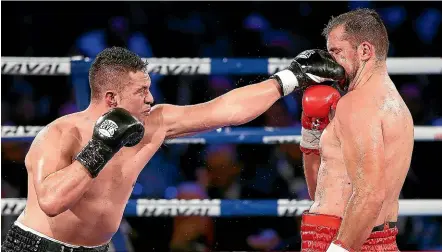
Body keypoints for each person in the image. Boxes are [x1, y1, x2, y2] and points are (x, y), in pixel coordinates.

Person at [1, 46, 345, 252]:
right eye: (141, 91)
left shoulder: (155, 121)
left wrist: (291, 77)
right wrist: (98, 149)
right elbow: (50, 201)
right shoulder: (60, 134)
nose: (150, 98)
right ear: (111, 99)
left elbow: (223, 110)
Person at [298, 8, 414, 252]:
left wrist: (338, 249)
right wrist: (312, 130)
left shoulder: (356, 104)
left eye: (336, 52)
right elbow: (318, 188)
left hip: (341, 235)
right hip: (376, 236)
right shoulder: (397, 106)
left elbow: (370, 195)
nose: (329, 64)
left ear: (364, 51)